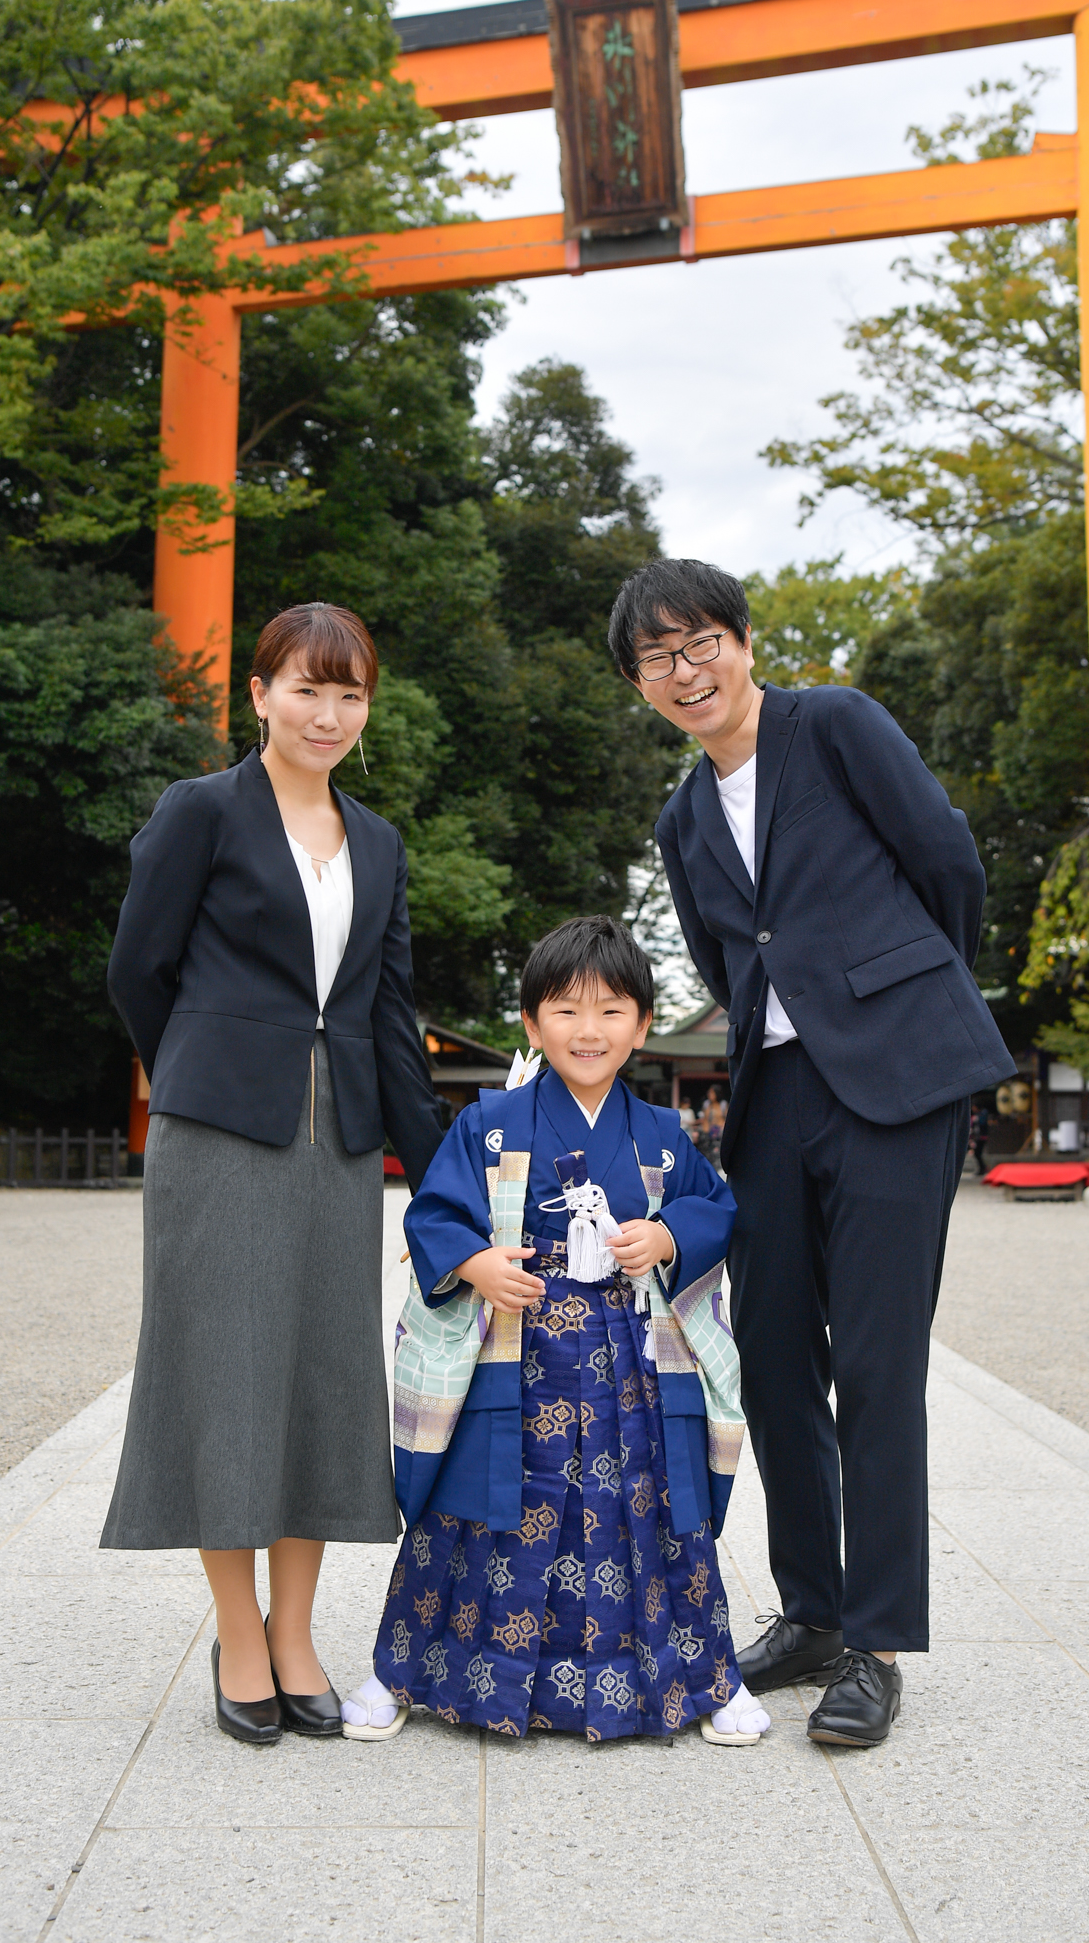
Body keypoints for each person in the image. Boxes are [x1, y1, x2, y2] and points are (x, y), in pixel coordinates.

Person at [608, 559, 1014, 1748]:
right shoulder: (682, 817)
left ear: (740, 639)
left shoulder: (832, 724)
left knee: (879, 1363)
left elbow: (946, 863)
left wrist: (902, 996)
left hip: (896, 1080)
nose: (684, 673)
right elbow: (726, 960)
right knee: (775, 1357)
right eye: (654, 660)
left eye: (698, 645)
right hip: (774, 1097)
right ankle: (816, 1611)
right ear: (639, 685)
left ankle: (879, 1644)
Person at [102, 601, 443, 1746]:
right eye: (308, 687)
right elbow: (139, 968)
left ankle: (297, 1632)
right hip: (219, 1137)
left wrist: (440, 1178)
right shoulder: (200, 810)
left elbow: (390, 1015)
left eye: (350, 694)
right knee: (227, 1379)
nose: (329, 712)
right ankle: (237, 1633)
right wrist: (207, 1063)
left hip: (338, 1143)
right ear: (259, 694)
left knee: (320, 1381)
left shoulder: (381, 840)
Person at [340, 915, 772, 1746]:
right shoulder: (489, 1122)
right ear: (532, 1024)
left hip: (628, 1366)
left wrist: (669, 1236)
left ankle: (705, 1677)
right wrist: (474, 1265)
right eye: (566, 1010)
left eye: (611, 1010)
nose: (588, 1029)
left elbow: (714, 1207)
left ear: (643, 1027)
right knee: (476, 1510)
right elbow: (435, 1211)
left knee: (650, 1514)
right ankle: (407, 1669)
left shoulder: (661, 1133)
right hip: (514, 1353)